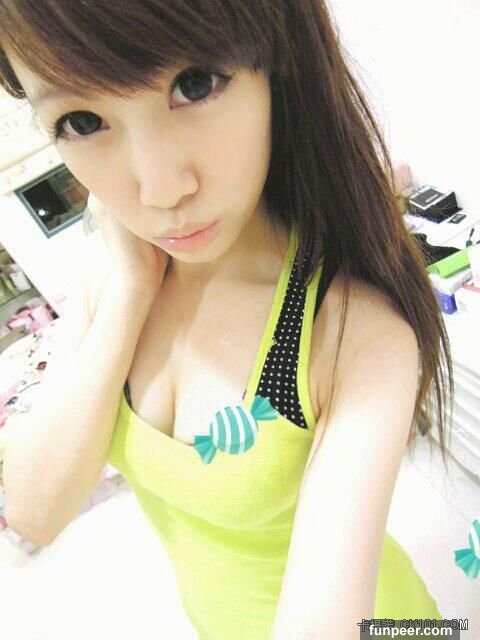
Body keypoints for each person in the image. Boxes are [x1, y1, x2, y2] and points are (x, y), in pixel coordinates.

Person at [0, 1, 454, 638]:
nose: (161, 189)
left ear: (278, 66)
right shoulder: (116, 278)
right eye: (82, 121)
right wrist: (131, 289)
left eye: (195, 84)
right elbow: (32, 510)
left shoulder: (347, 330)